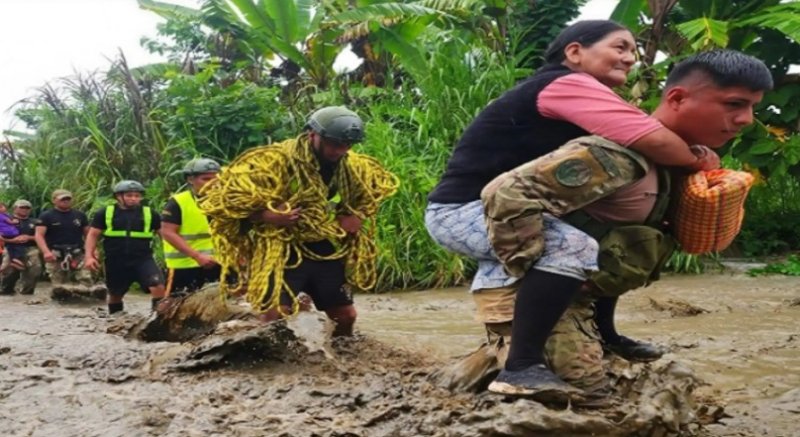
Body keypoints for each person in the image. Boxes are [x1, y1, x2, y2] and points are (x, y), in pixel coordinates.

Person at [426, 20, 716, 397]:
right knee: (573, 246)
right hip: (461, 212)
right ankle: (520, 368)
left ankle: (605, 334)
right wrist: (697, 161)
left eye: (633, 50)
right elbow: (648, 136)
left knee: (608, 234)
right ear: (575, 53)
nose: (630, 58)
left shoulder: (583, 91)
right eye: (620, 47)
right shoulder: (564, 83)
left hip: (513, 207)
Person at [479, 50, 772, 397]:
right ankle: (519, 365)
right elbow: (505, 193)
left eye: (752, 107)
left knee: (628, 241)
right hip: (540, 297)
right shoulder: (615, 157)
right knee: (584, 394)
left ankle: (604, 335)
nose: (746, 119)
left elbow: (623, 243)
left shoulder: (675, 164)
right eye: (734, 104)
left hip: (579, 294)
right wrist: (525, 264)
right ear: (677, 98)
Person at [199, 106, 397, 337]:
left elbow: (370, 193)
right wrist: (265, 215)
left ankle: (343, 358)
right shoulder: (273, 161)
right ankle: (272, 362)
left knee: (346, 316)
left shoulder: (353, 166)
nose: (340, 150)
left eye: (347, 145)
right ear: (312, 134)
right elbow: (220, 204)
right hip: (277, 248)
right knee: (275, 316)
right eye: (334, 144)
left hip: (319, 245)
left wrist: (356, 215)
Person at [84, 180, 167, 314]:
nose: (133, 199)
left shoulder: (150, 213)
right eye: (129, 195)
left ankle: (159, 319)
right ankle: (115, 321)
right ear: (118, 196)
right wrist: (89, 256)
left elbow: (164, 235)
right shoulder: (105, 213)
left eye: (137, 196)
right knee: (115, 294)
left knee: (157, 285)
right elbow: (93, 235)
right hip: (116, 260)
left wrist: (170, 255)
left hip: (143, 259)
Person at [160, 158, 222, 296]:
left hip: (219, 262)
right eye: (206, 179)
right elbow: (168, 232)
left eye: (216, 178)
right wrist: (197, 256)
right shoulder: (178, 202)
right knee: (173, 305)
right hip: (185, 264)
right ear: (190, 179)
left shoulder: (225, 201)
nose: (212, 183)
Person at [35, 189, 103, 297]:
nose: (66, 201)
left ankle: (90, 294)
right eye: (62, 199)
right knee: (59, 287)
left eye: (68, 199)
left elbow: (89, 235)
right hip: (55, 254)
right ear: (54, 200)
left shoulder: (80, 215)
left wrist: (93, 251)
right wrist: (46, 252)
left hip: (77, 253)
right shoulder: (46, 216)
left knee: (85, 278)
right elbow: (39, 235)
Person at [0, 200, 41, 295]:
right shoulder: (5, 219)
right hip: (10, 246)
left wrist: (29, 237)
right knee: (10, 270)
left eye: (27, 208)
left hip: (30, 248)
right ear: (15, 208)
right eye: (22, 207)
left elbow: (43, 237)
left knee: (35, 269)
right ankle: (6, 290)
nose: (24, 209)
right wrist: (13, 240)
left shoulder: (36, 222)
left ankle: (27, 291)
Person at [0, 202, 26, 269]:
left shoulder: (5, 215)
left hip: (5, 234)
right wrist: (16, 221)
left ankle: (13, 260)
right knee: (18, 245)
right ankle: (15, 259)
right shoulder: (2, 215)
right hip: (9, 233)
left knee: (10, 247)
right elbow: (10, 222)